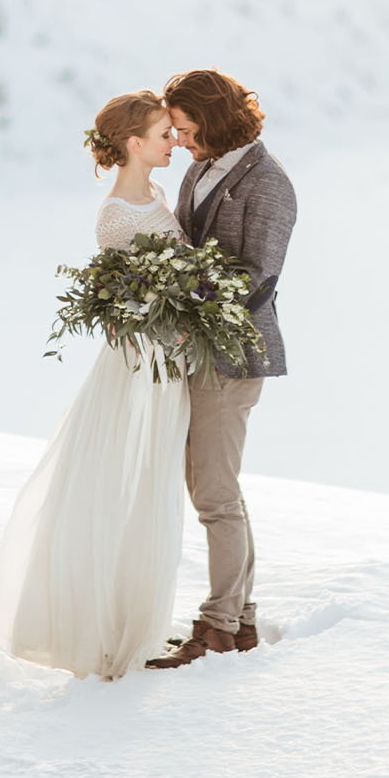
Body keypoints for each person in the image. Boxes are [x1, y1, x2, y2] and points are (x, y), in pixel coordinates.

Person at [0, 91, 191, 680]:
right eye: (162, 135)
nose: (171, 142)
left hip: (168, 361)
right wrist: (165, 326)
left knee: (154, 484)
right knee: (119, 484)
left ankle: (140, 620)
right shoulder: (116, 213)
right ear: (134, 144)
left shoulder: (155, 194)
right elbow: (123, 304)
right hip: (139, 366)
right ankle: (100, 630)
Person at [146, 68, 297, 671]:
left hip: (233, 354)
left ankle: (218, 628)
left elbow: (256, 273)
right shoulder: (198, 169)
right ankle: (240, 622)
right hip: (195, 349)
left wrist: (184, 295)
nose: (178, 141)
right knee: (214, 490)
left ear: (211, 119)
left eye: (183, 129)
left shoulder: (270, 183)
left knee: (213, 494)